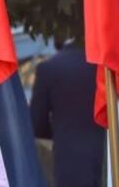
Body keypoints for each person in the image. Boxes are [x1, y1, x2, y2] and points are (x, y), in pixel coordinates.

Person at [29, 41, 104, 187]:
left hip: (69, 161)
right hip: (109, 157)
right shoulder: (105, 67)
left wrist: (61, 132)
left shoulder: (48, 69)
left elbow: (37, 124)